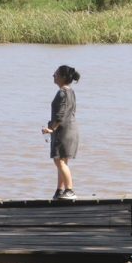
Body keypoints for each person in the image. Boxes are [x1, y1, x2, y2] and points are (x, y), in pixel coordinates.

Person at [41, 65, 81, 200]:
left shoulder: (63, 92)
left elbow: (61, 113)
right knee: (62, 160)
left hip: (63, 131)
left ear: (63, 77)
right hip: (70, 129)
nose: (53, 76)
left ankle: (69, 190)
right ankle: (59, 190)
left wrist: (52, 128)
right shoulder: (70, 91)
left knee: (59, 162)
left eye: (56, 74)